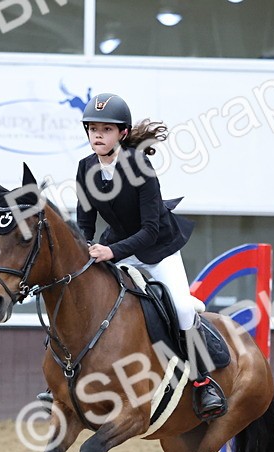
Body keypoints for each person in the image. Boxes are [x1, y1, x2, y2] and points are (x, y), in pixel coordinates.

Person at [69, 92, 227, 421]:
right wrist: (85, 248)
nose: (98, 135)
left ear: (122, 133)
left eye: (106, 129)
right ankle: (68, 378)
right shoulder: (86, 168)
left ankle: (202, 382)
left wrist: (111, 251)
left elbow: (150, 230)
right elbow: (85, 222)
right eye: (93, 129)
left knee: (182, 308)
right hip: (117, 247)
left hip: (157, 249)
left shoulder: (139, 166)